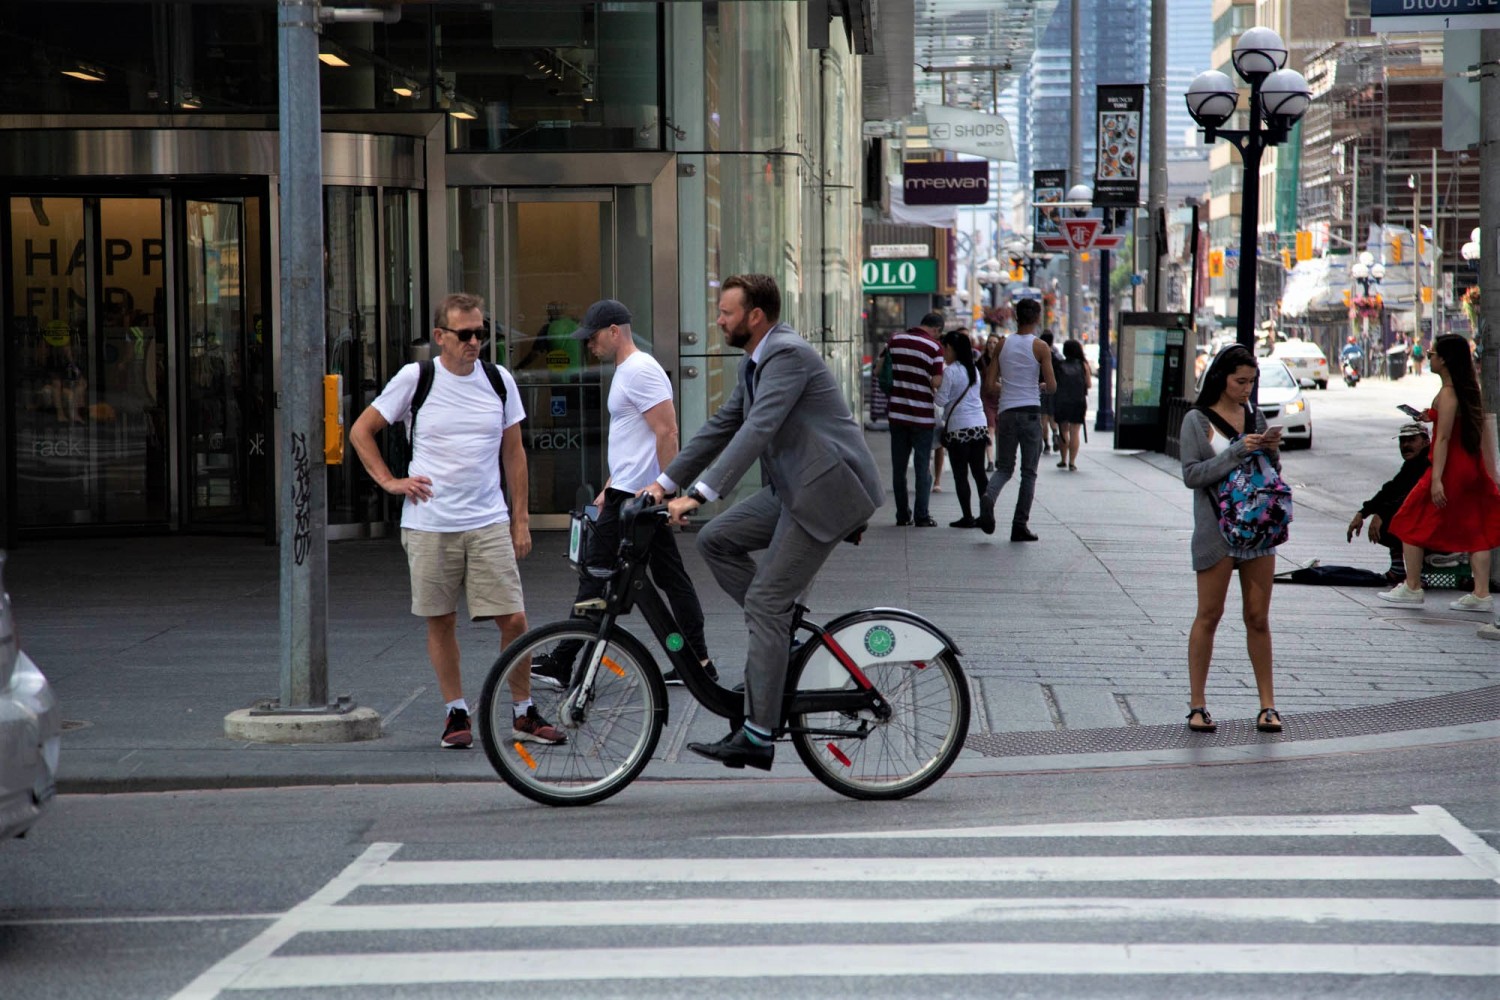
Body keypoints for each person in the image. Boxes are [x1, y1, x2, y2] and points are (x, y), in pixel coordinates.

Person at [642, 273, 883, 770]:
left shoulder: (786, 355)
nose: (718, 320)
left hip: (826, 496)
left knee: (766, 600)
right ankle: (780, 635)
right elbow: (721, 427)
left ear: (755, 317)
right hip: (794, 490)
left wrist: (701, 494)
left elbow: (759, 428)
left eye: (726, 312)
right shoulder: (755, 363)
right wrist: (665, 484)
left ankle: (757, 734)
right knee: (717, 540)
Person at [348, 292, 561, 750]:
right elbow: (361, 430)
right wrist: (390, 481)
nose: (475, 342)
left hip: (487, 519)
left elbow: (514, 453)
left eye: (481, 333)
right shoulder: (416, 377)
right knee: (441, 621)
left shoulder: (499, 379)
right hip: (430, 524)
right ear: (440, 336)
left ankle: (523, 711)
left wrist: (520, 518)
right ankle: (455, 712)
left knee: (515, 619)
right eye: (465, 334)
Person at [530, 299, 717, 688]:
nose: (589, 345)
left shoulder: (640, 371)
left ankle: (563, 662)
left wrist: (665, 494)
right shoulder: (626, 371)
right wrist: (609, 485)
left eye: (594, 337)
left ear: (615, 331)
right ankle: (698, 662)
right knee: (667, 578)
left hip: (637, 499)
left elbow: (668, 432)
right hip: (628, 492)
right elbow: (634, 439)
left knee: (596, 576)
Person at [1178, 345, 1286, 735]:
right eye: (1240, 381)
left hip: (1258, 530)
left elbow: (1269, 472)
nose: (1246, 389)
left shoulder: (1253, 415)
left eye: (1251, 382)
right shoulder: (1196, 420)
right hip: (1216, 532)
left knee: (1258, 618)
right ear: (1221, 378)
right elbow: (1192, 474)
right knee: (1209, 615)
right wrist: (1237, 451)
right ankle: (1197, 706)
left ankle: (1268, 706)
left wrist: (1271, 452)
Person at [1378, 334, 1500, 613]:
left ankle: (1412, 586)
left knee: (1408, 520)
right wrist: (1429, 416)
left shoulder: (1447, 393)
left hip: (1450, 470)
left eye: (1432, 354)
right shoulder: (1467, 390)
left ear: (1443, 360)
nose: (1429, 357)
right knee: (1476, 530)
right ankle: (1481, 594)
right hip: (1472, 468)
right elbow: (1453, 423)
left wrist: (1435, 481)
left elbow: (1443, 439)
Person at [976, 298, 1056, 540]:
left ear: (1015, 317)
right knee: (1028, 472)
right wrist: (1036, 385)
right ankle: (1019, 525)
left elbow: (989, 386)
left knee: (1004, 467)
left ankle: (989, 495)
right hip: (1031, 413)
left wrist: (1010, 387)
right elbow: (1052, 386)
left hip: (1006, 413)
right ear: (1037, 318)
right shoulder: (1041, 347)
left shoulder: (1002, 344)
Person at [1347, 423, 1432, 582]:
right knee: (1390, 518)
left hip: (1440, 524)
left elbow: (1412, 496)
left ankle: (1417, 576)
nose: (1405, 445)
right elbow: (1391, 489)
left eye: (1412, 440)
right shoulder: (1413, 463)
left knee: (1392, 522)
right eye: (1402, 441)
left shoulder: (1428, 462)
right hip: (1426, 520)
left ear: (1426, 442)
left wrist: (1382, 514)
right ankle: (1398, 570)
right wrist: (1363, 513)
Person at [885, 312, 945, 526]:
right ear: (937, 329)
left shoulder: (895, 339)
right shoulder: (935, 348)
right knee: (922, 468)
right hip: (922, 418)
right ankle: (921, 515)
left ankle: (902, 515)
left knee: (899, 469)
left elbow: (880, 369)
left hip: (897, 415)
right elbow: (937, 381)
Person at [932, 329, 989, 527]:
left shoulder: (950, 372)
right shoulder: (973, 370)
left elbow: (940, 401)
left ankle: (968, 516)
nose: (943, 354)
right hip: (979, 426)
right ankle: (987, 513)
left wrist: (934, 386)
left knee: (961, 474)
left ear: (951, 349)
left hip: (958, 428)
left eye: (944, 349)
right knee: (979, 473)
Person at [1052, 339, 1092, 471]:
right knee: (1075, 432)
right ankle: (1072, 462)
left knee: (1063, 431)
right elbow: (1089, 384)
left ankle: (1063, 459)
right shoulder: (1083, 365)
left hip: (1062, 401)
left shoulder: (1059, 365)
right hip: (1078, 401)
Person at [978, 333, 1002, 471]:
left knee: (1000, 431)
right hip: (987, 399)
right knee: (990, 429)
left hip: (1001, 398)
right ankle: (991, 461)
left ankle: (999, 459)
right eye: (989, 343)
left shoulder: (1004, 360)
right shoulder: (981, 361)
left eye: (994, 342)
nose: (992, 345)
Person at [1038, 330, 1062, 454]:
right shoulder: (1056, 357)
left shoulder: (1039, 356)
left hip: (1041, 390)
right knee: (1052, 416)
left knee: (1043, 418)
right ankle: (1055, 434)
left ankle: (1046, 444)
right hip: (1053, 390)